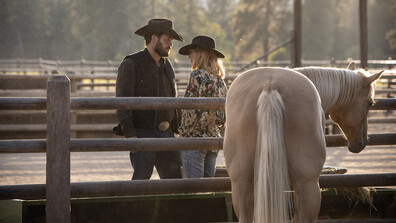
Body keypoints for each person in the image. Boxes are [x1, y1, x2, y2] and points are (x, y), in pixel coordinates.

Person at [115, 18, 183, 180]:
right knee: (141, 180)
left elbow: (173, 98)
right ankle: (135, 206)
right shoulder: (132, 64)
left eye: (170, 41)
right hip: (142, 132)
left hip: (166, 133)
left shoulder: (167, 65)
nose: (170, 45)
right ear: (153, 38)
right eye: (167, 40)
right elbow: (122, 101)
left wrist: (177, 128)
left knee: (174, 181)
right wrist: (131, 134)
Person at [178, 35, 228, 178]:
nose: (189, 56)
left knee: (193, 189)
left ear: (200, 53)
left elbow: (190, 110)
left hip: (195, 139)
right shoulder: (220, 81)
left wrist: (184, 133)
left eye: (191, 52)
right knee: (208, 187)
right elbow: (223, 115)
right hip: (213, 140)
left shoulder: (197, 76)